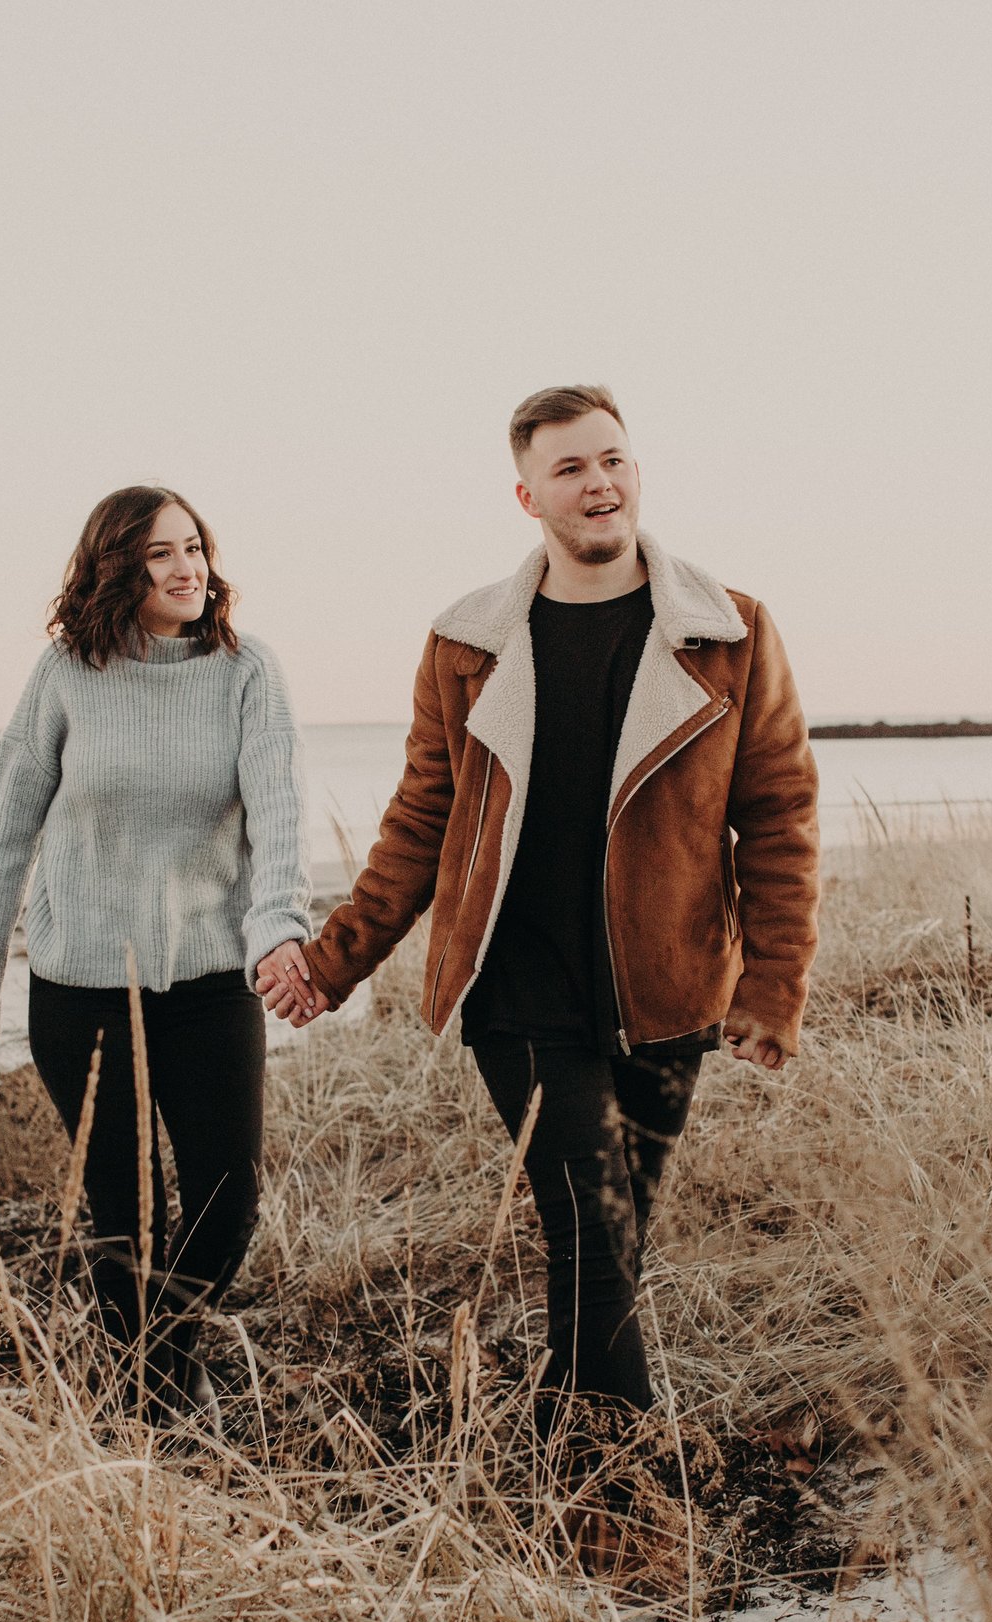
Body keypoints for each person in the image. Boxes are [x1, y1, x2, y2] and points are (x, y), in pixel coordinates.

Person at [262, 384, 820, 1442]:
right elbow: (422, 817)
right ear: (528, 496)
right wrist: (334, 961)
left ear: (635, 471)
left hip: (666, 987)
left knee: (613, 1234)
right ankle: (628, 1467)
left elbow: (780, 816)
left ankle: (564, 1433)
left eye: (613, 459)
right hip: (514, 982)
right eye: (570, 468)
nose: (599, 482)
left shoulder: (728, 630)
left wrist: (771, 989)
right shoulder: (466, 642)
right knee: (592, 1223)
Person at [0, 484, 314, 1420]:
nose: (188, 567)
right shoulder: (69, 671)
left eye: (194, 547)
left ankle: (152, 1365)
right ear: (118, 568)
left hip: (209, 983)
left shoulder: (246, 672)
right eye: (160, 554)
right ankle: (148, 1411)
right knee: (127, 1214)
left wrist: (280, 931)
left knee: (225, 1208)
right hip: (80, 989)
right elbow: (5, 832)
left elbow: (279, 821)